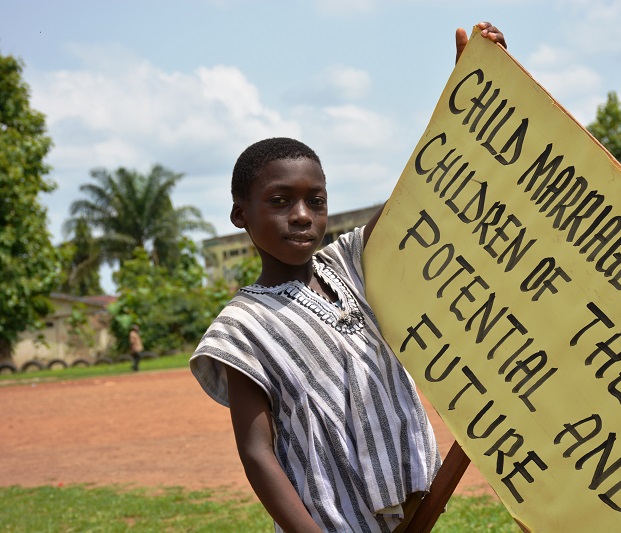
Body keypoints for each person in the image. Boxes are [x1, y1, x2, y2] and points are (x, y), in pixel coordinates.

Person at [189, 22, 506, 532]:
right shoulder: (240, 328)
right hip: (330, 522)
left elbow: (421, 194)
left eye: (315, 201)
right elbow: (257, 453)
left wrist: (467, 97)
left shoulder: (349, 264)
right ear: (239, 214)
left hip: (409, 514)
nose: (301, 215)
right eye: (279, 201)